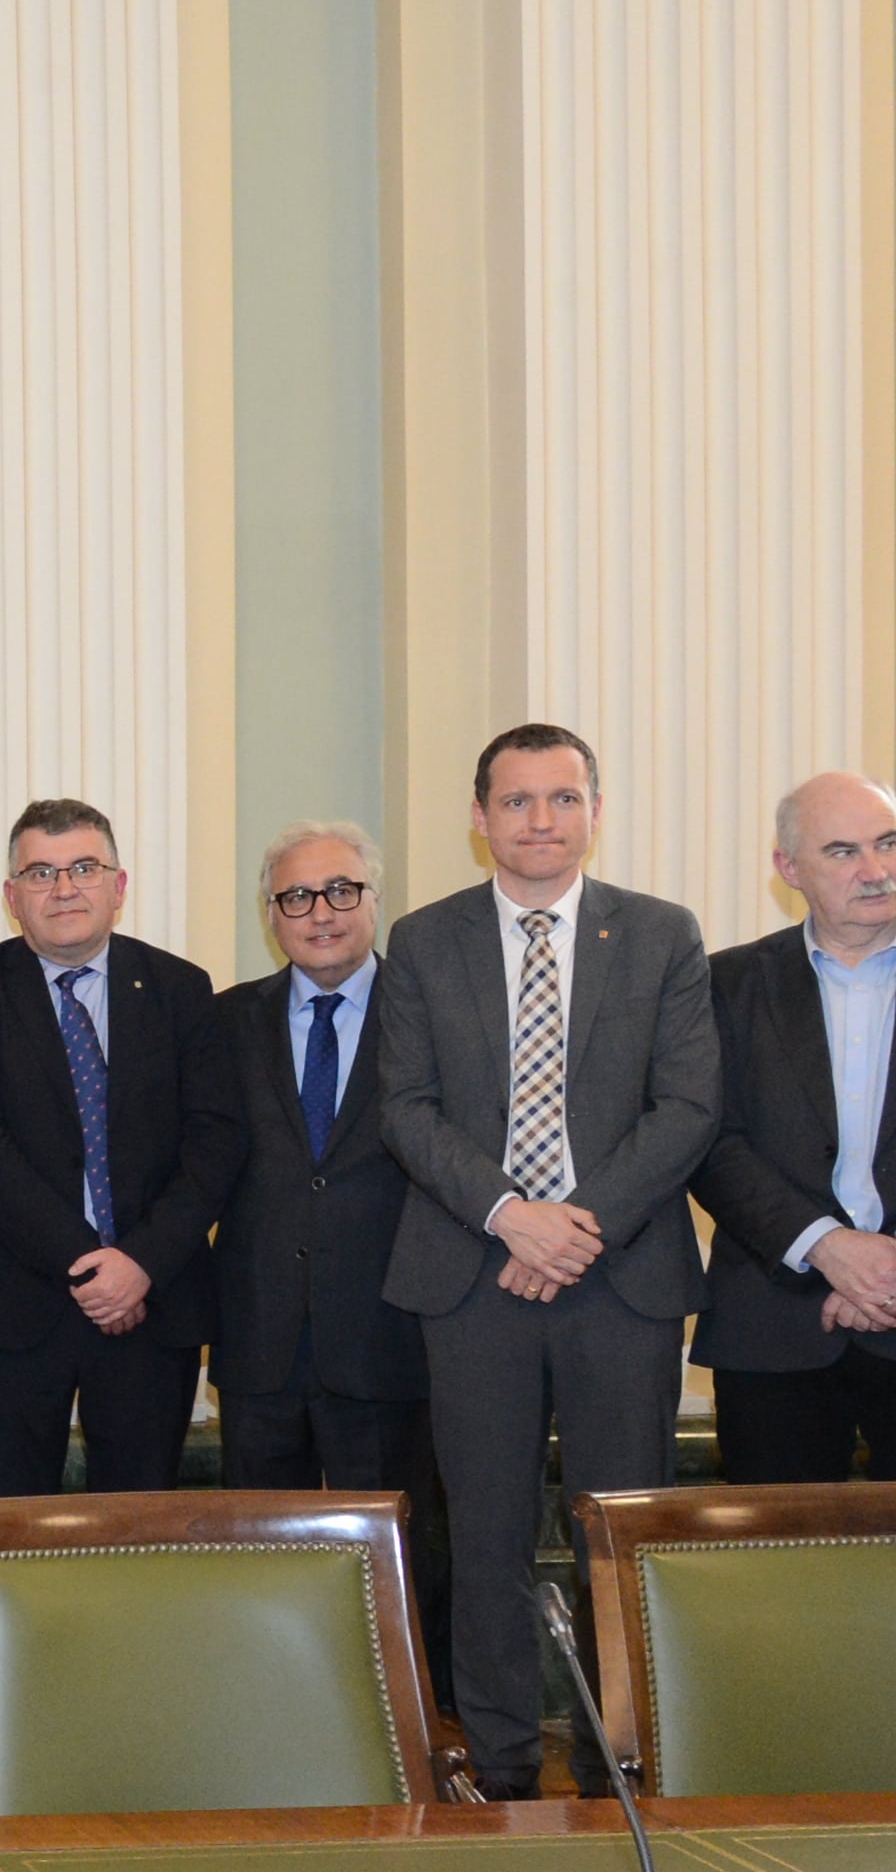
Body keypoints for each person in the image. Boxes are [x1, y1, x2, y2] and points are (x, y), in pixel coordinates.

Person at [371, 724, 717, 1800]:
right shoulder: (426, 941)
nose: (539, 820)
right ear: (478, 818)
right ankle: (504, 1765)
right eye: (515, 800)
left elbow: (688, 1107)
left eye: (561, 798)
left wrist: (574, 1222)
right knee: (484, 1535)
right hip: (471, 1275)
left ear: (593, 810)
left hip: (619, 1278)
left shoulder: (659, 934)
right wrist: (509, 1214)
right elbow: (406, 1108)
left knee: (619, 1527)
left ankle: (621, 1753)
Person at [0, 800, 241, 1498]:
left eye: (83, 868)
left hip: (151, 1305)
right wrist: (91, 1269)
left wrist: (138, 1265)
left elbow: (215, 1142)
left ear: (119, 886)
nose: (63, 887)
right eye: (40, 872)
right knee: (8, 1536)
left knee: (135, 1530)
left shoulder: (181, 990)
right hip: (13, 1308)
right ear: (13, 898)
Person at [210, 822, 443, 1676]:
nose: (322, 913)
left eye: (343, 890)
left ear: (376, 901)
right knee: (258, 1561)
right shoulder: (227, 1019)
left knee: (399, 1566)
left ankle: (406, 1724)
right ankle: (270, 1712)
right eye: (297, 897)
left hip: (389, 1336)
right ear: (270, 915)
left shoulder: (430, 1016)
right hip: (260, 1338)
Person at [690, 772, 896, 1484]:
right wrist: (830, 1248)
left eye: (888, 843)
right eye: (843, 852)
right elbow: (709, 1143)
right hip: (773, 1328)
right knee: (776, 1580)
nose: (875, 871)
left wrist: (885, 1264)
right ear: (789, 868)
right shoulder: (726, 985)